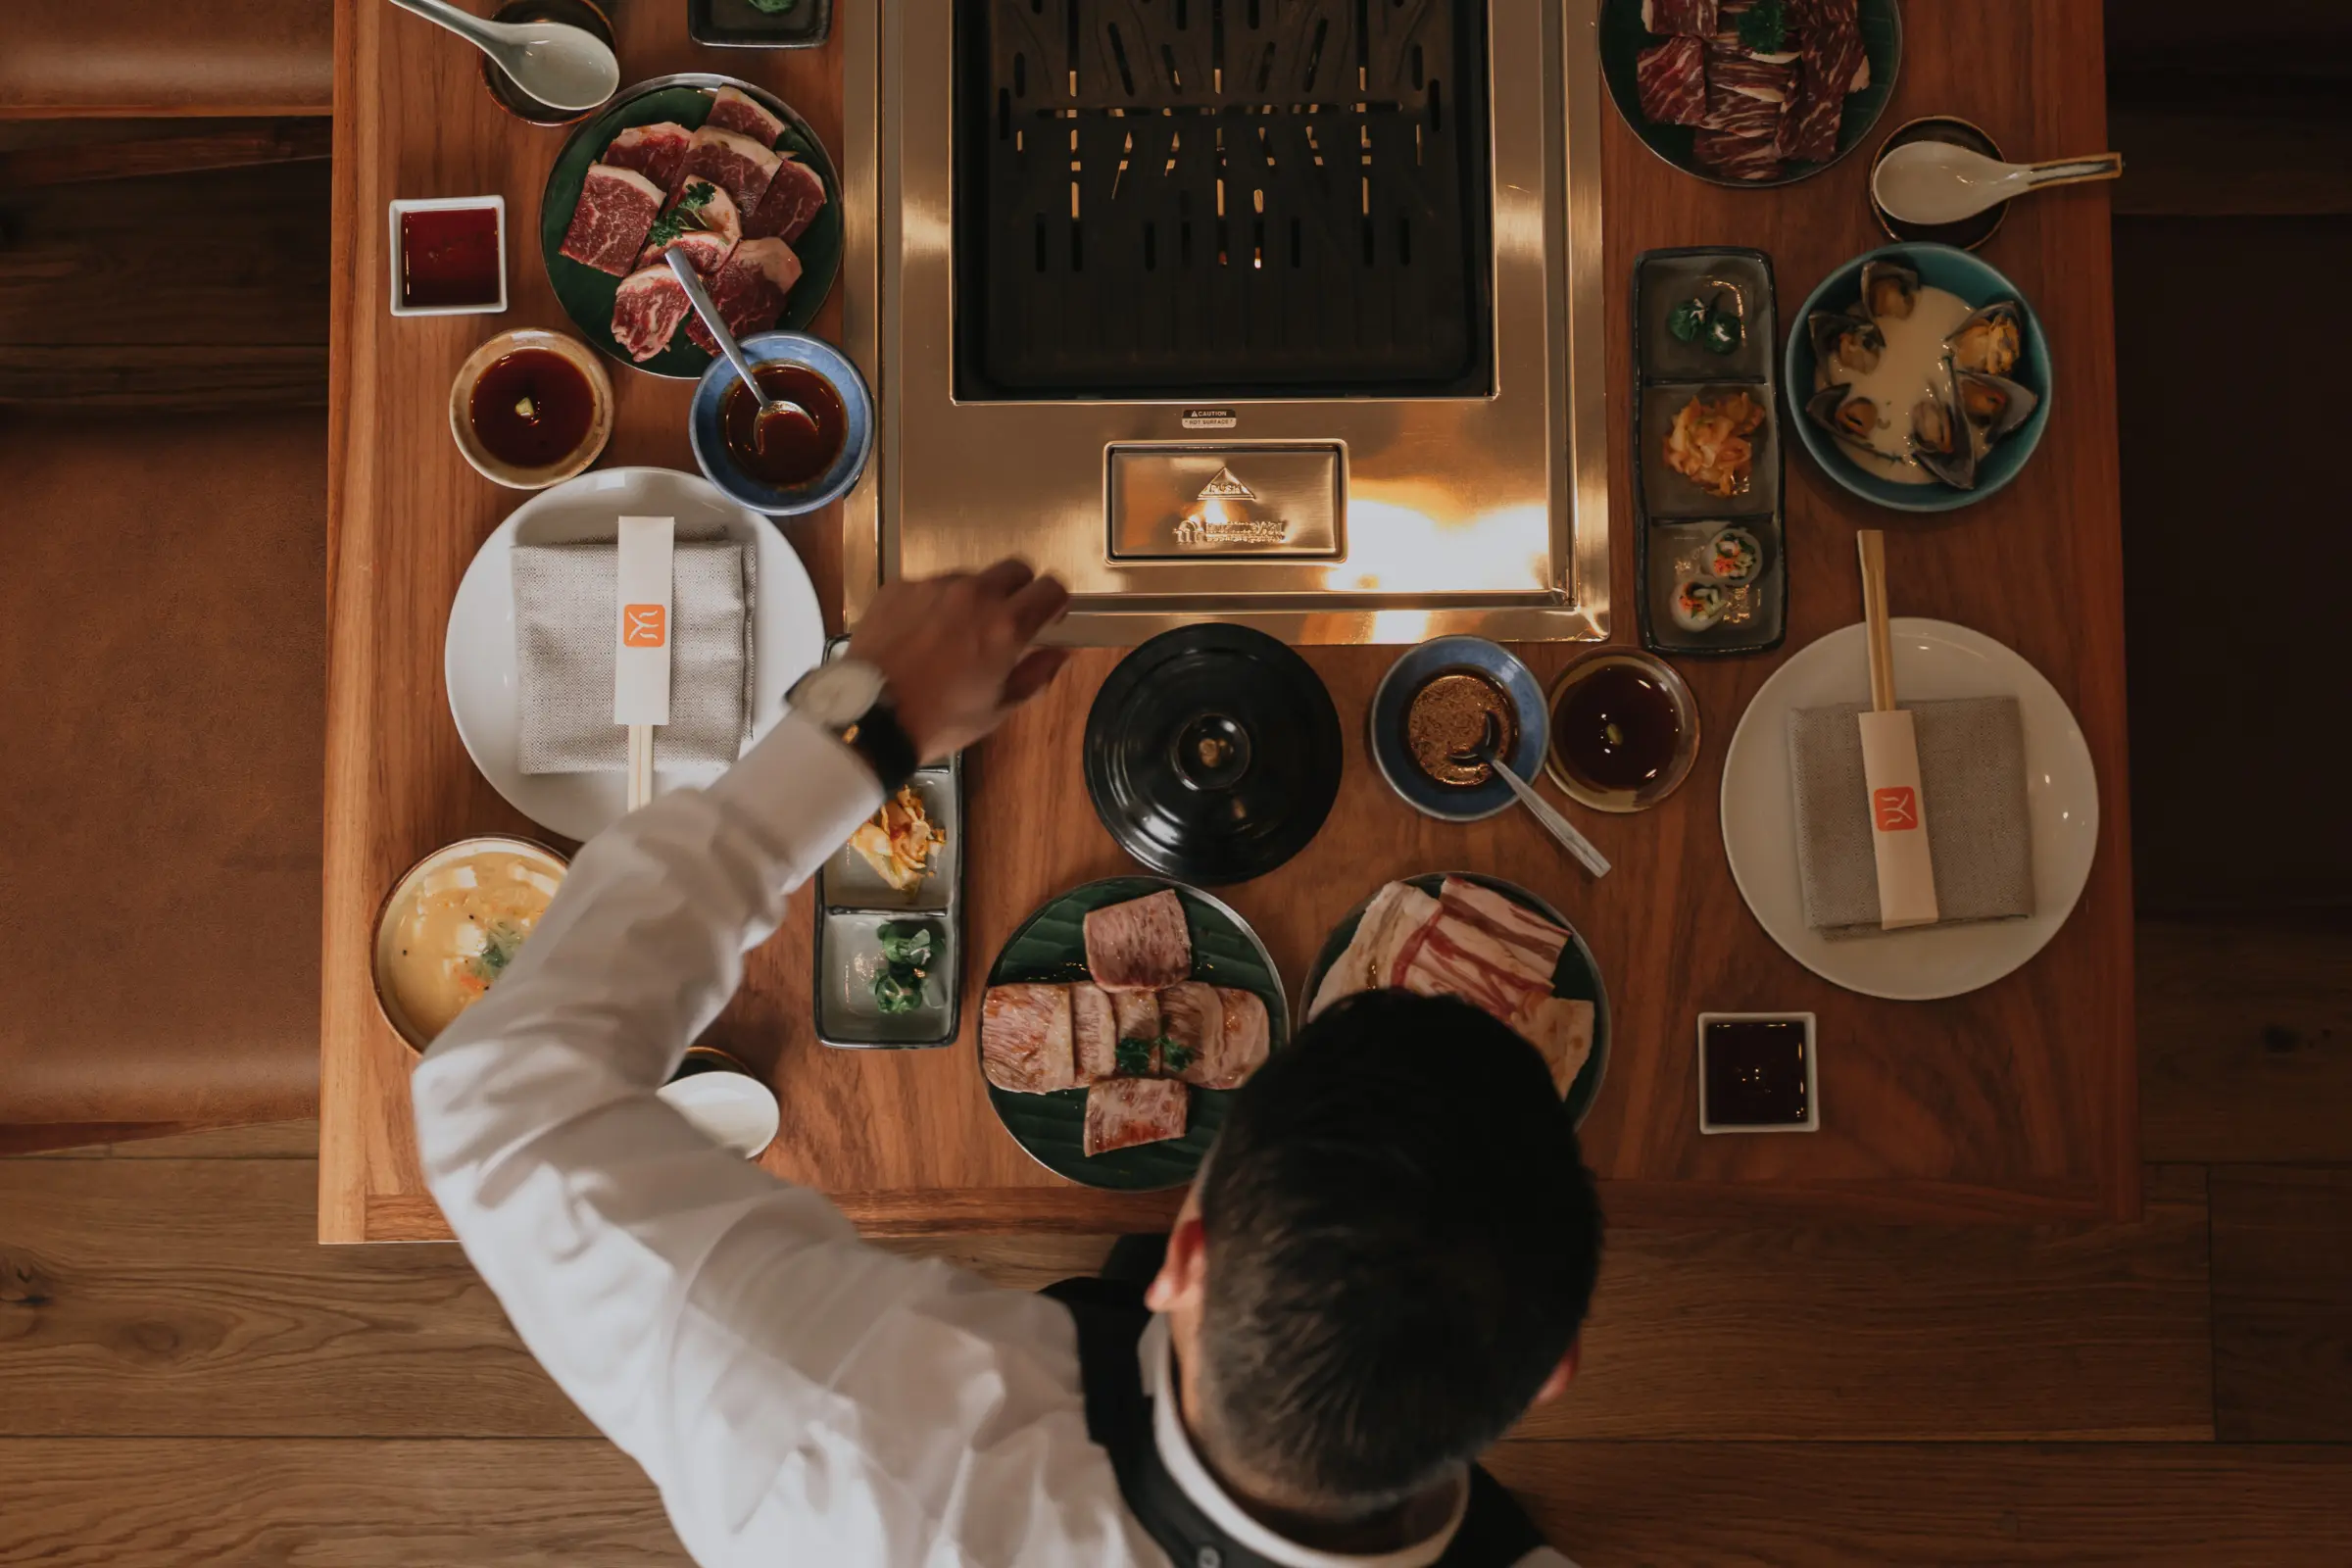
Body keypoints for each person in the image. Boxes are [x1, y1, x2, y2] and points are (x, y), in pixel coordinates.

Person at [413, 560, 1606, 1568]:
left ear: (1183, 1252)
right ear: (1552, 1370)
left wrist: (866, 723)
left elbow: (500, 1097)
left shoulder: (851, 1456)